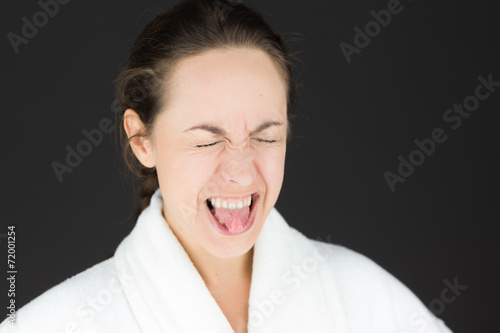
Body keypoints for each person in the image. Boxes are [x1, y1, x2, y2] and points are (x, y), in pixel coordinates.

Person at [0, 0, 454, 332]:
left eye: (265, 136)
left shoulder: (366, 301)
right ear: (142, 140)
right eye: (205, 140)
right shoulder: (52, 324)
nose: (240, 170)